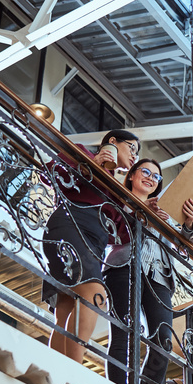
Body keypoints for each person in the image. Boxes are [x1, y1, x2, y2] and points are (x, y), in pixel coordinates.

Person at [41, 129, 141, 363]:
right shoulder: (82, 152)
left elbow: (123, 235)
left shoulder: (116, 190)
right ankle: (74, 371)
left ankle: (55, 370)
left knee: (65, 309)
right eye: (132, 148)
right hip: (71, 224)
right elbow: (51, 174)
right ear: (113, 141)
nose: (134, 156)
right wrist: (93, 164)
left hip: (95, 244)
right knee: (95, 294)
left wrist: (143, 211)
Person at [103, 158, 193, 384]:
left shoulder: (165, 213)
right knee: (123, 331)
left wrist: (187, 226)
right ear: (132, 175)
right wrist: (141, 213)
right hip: (124, 266)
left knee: (164, 341)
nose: (151, 178)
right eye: (145, 172)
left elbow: (183, 250)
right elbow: (111, 231)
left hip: (159, 276)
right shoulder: (118, 198)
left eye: (156, 176)